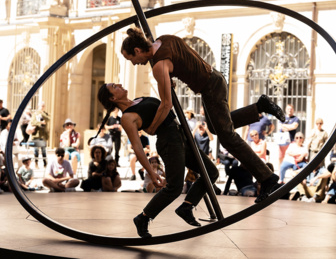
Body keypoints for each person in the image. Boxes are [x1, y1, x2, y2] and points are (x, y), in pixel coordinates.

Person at [121, 27, 282, 204]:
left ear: (137, 50)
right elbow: (182, 60)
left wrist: (151, 128)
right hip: (213, 80)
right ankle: (259, 107)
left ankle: (267, 179)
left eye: (132, 59)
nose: (134, 63)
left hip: (210, 87)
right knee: (215, 127)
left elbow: (166, 104)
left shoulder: (159, 66)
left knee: (228, 137)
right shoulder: (165, 40)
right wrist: (169, 76)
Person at [97, 82, 278, 238]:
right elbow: (137, 148)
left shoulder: (139, 99)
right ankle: (143, 218)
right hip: (169, 141)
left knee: (212, 173)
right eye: (114, 87)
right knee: (174, 187)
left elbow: (164, 106)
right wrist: (152, 173)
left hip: (181, 136)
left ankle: (187, 206)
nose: (119, 85)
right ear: (112, 98)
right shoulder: (128, 117)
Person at [30, 101, 50, 169]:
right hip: (37, 135)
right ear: (38, 106)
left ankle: (45, 163)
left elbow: (48, 119)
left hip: (43, 135)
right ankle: (36, 163)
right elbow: (32, 122)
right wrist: (40, 123)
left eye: (43, 106)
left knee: (43, 150)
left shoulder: (45, 114)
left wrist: (43, 114)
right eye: (41, 106)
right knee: (36, 150)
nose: (42, 107)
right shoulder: (35, 114)